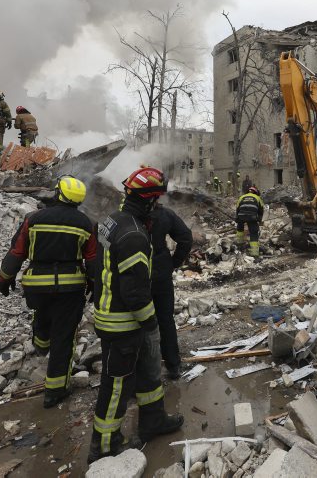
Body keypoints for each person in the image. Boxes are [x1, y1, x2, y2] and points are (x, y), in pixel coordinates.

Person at [89, 166, 183, 461]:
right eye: (156, 200)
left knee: (147, 373)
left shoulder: (112, 221)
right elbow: (134, 293)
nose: (158, 205)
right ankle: (105, 444)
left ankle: (153, 420)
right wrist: (150, 322)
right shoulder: (134, 235)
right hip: (122, 323)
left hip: (114, 315)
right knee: (117, 384)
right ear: (149, 200)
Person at [0, 176, 97, 408]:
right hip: (70, 288)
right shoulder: (86, 223)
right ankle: (55, 391)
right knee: (64, 336)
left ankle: (41, 344)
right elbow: (92, 259)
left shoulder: (33, 219)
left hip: (37, 286)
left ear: (58, 194)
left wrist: (5, 278)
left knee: (42, 314)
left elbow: (17, 251)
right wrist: (94, 284)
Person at [149, 202, 193, 379]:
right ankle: (173, 365)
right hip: (160, 272)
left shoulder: (125, 216)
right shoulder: (164, 214)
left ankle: (142, 369)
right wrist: (174, 262)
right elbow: (186, 238)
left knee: (137, 321)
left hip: (134, 275)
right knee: (165, 319)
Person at [235, 185, 265, 257]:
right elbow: (261, 210)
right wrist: (259, 219)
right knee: (254, 232)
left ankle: (239, 245)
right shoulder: (258, 198)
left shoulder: (242, 197)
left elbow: (237, 208)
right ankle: (254, 253)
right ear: (256, 192)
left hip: (241, 215)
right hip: (252, 217)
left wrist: (237, 218)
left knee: (240, 228)